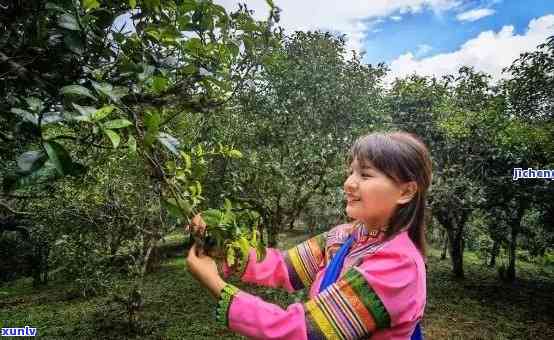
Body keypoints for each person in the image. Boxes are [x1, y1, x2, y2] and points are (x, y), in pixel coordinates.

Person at [186, 131, 432, 340]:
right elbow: (282, 266)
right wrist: (216, 244)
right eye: (351, 172)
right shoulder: (343, 236)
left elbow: (301, 331)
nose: (348, 183)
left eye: (365, 175)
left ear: (406, 192)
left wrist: (216, 285)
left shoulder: (399, 268)